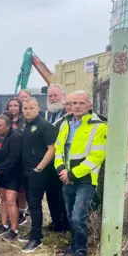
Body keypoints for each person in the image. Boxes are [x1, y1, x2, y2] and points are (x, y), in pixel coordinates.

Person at [54, 90, 107, 256]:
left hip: (85, 180)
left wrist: (72, 174)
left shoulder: (99, 126)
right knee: (70, 215)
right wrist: (61, 170)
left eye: (81, 103)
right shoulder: (65, 124)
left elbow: (96, 157)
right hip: (66, 178)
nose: (76, 106)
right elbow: (58, 150)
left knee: (78, 216)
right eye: (73, 103)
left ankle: (81, 252)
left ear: (89, 105)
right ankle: (74, 246)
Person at [19, 97, 57, 253]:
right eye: (25, 108)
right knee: (30, 202)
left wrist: (40, 168)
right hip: (25, 170)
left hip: (38, 172)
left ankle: (36, 238)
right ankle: (34, 231)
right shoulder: (24, 124)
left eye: (31, 108)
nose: (27, 110)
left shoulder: (45, 126)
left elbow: (52, 149)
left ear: (38, 108)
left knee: (35, 204)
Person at [0, 112, 22, 242]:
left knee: (11, 200)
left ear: (8, 126)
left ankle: (14, 229)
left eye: (0, 126)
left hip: (12, 173)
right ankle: (4, 224)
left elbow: (13, 157)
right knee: (3, 199)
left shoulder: (15, 137)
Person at [43, 84, 69, 233]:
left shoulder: (69, 113)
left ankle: (65, 223)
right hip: (49, 160)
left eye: (55, 95)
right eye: (50, 96)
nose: (53, 99)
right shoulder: (48, 114)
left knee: (62, 194)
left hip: (62, 161)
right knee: (51, 193)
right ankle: (55, 221)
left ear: (63, 96)